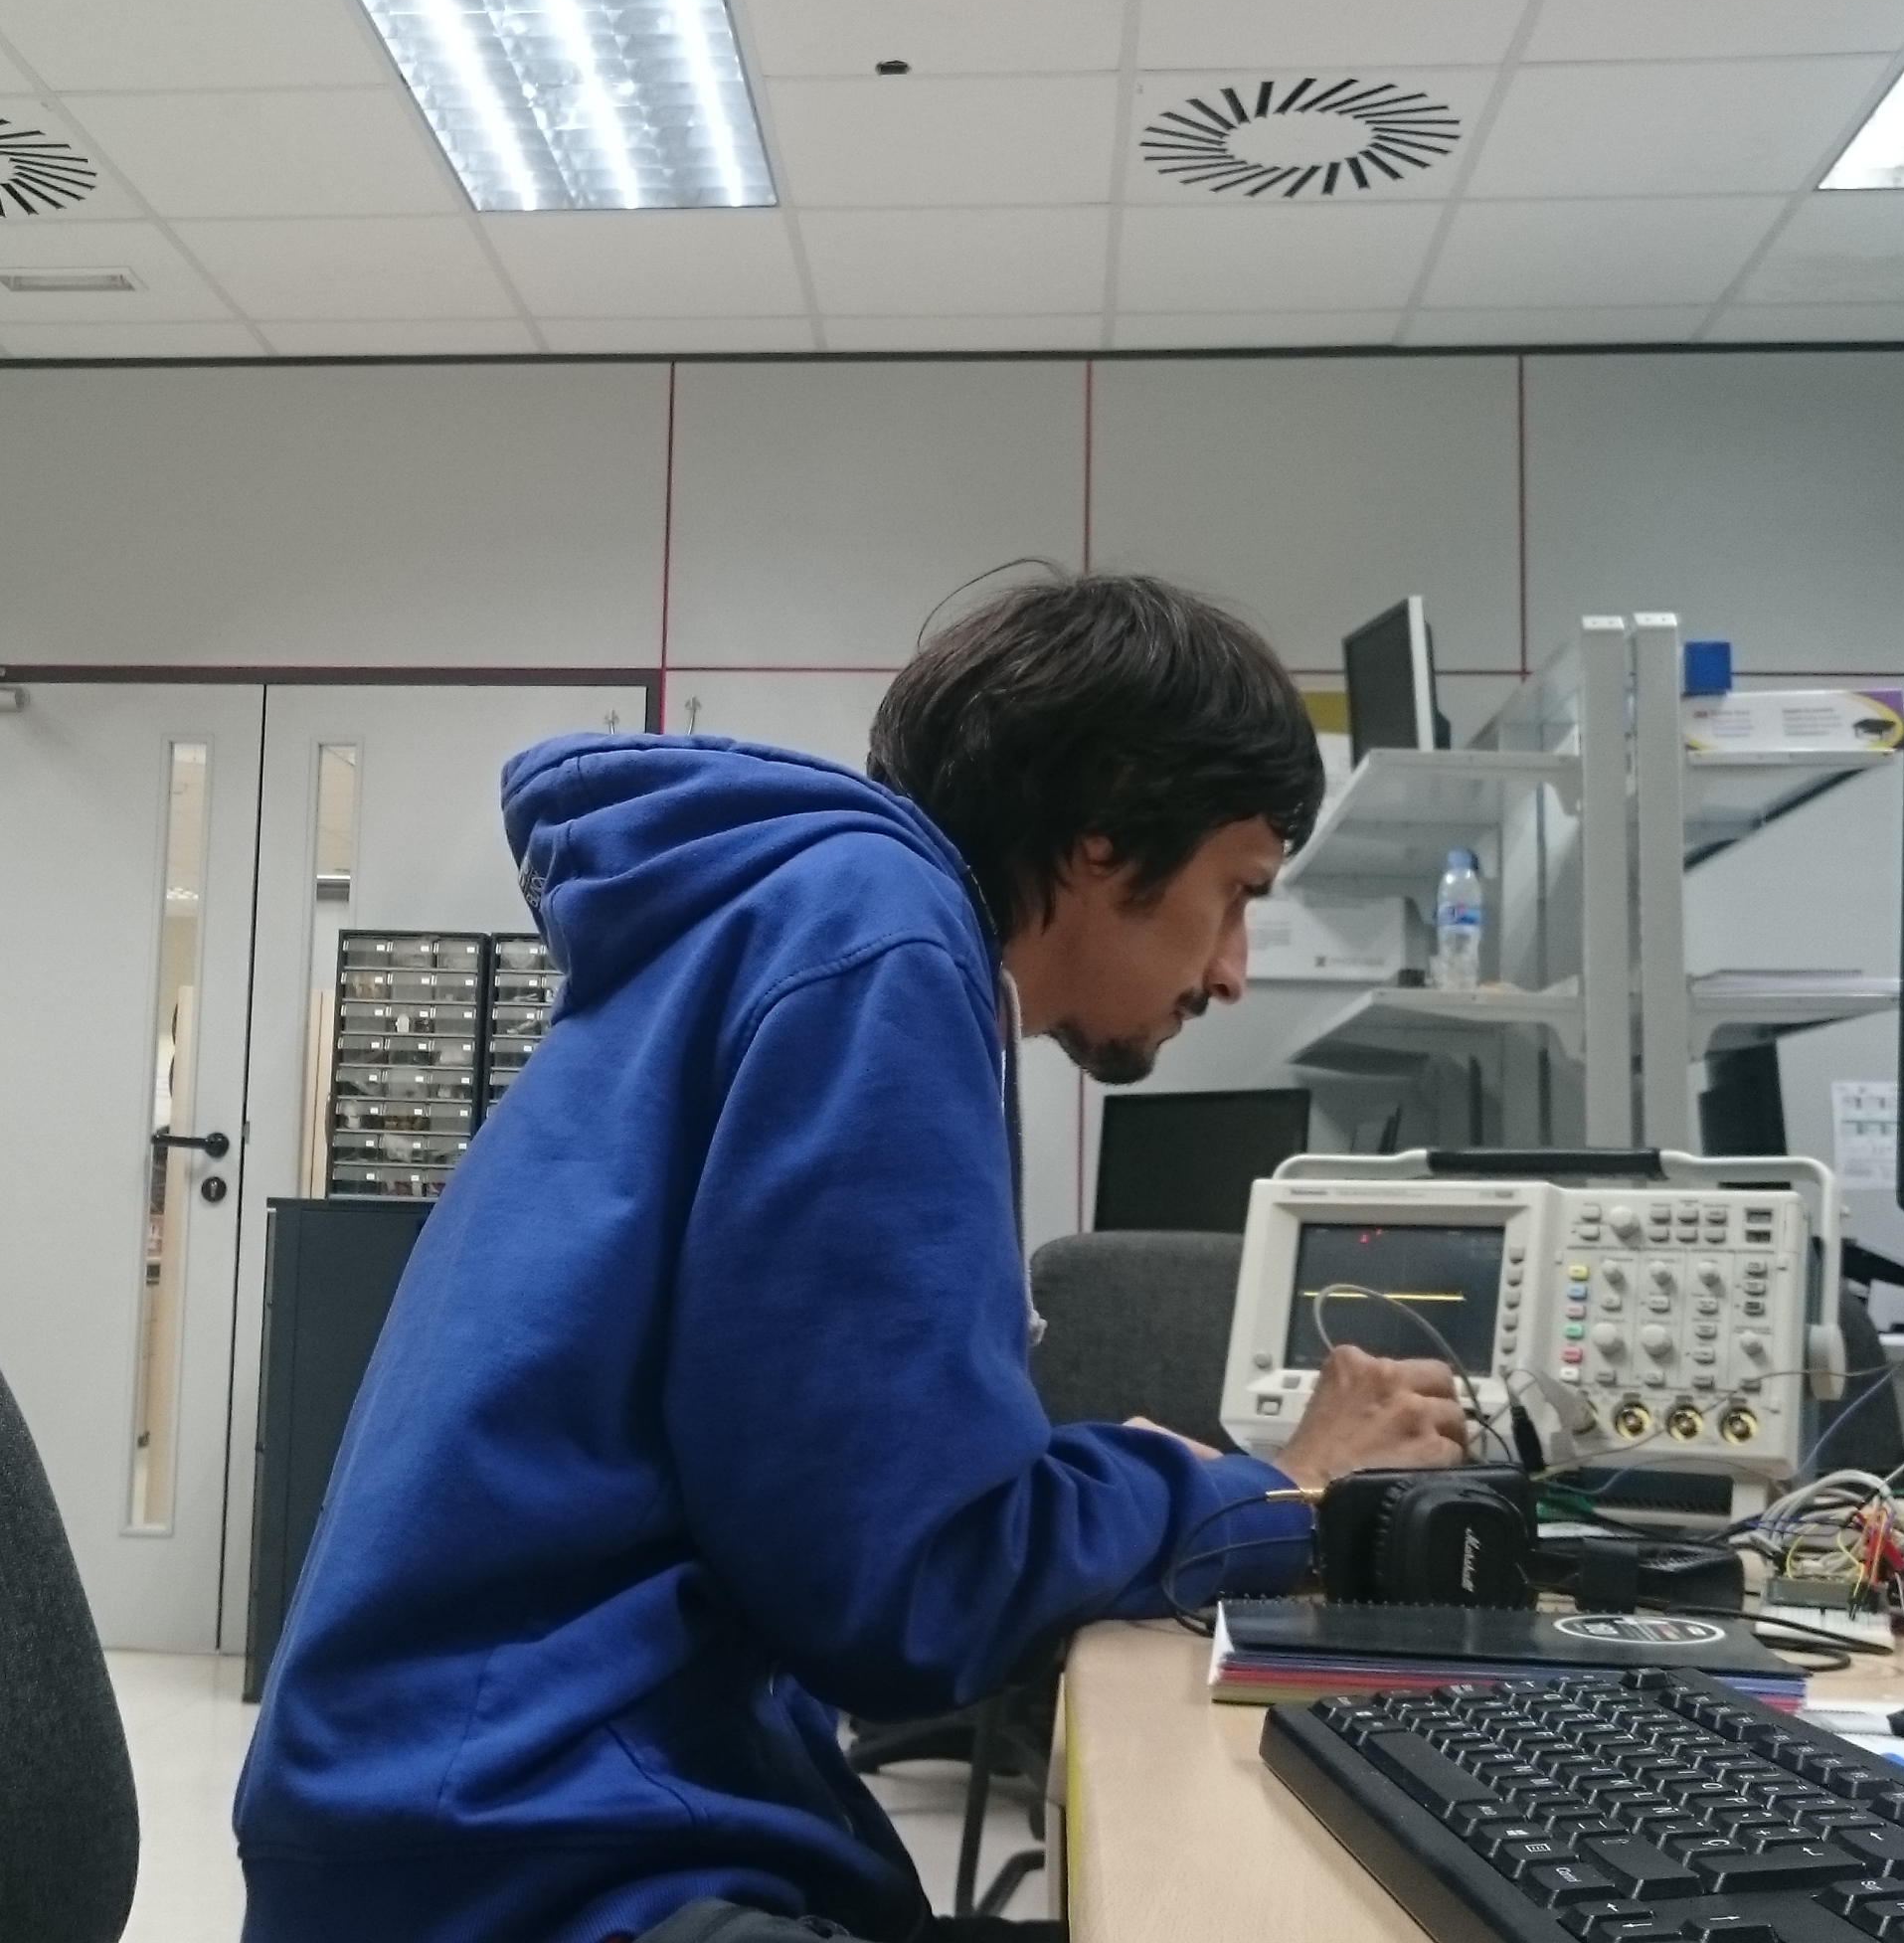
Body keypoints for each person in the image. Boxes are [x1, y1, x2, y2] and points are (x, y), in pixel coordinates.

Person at [235, 574, 1469, 1943]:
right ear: (1104, 832)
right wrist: (1266, 1495)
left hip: (481, 1820)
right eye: (1235, 893)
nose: (1232, 968)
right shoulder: (883, 943)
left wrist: (1120, 1487)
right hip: (539, 1870)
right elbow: (912, 1596)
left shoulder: (799, 915)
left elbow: (855, 1512)